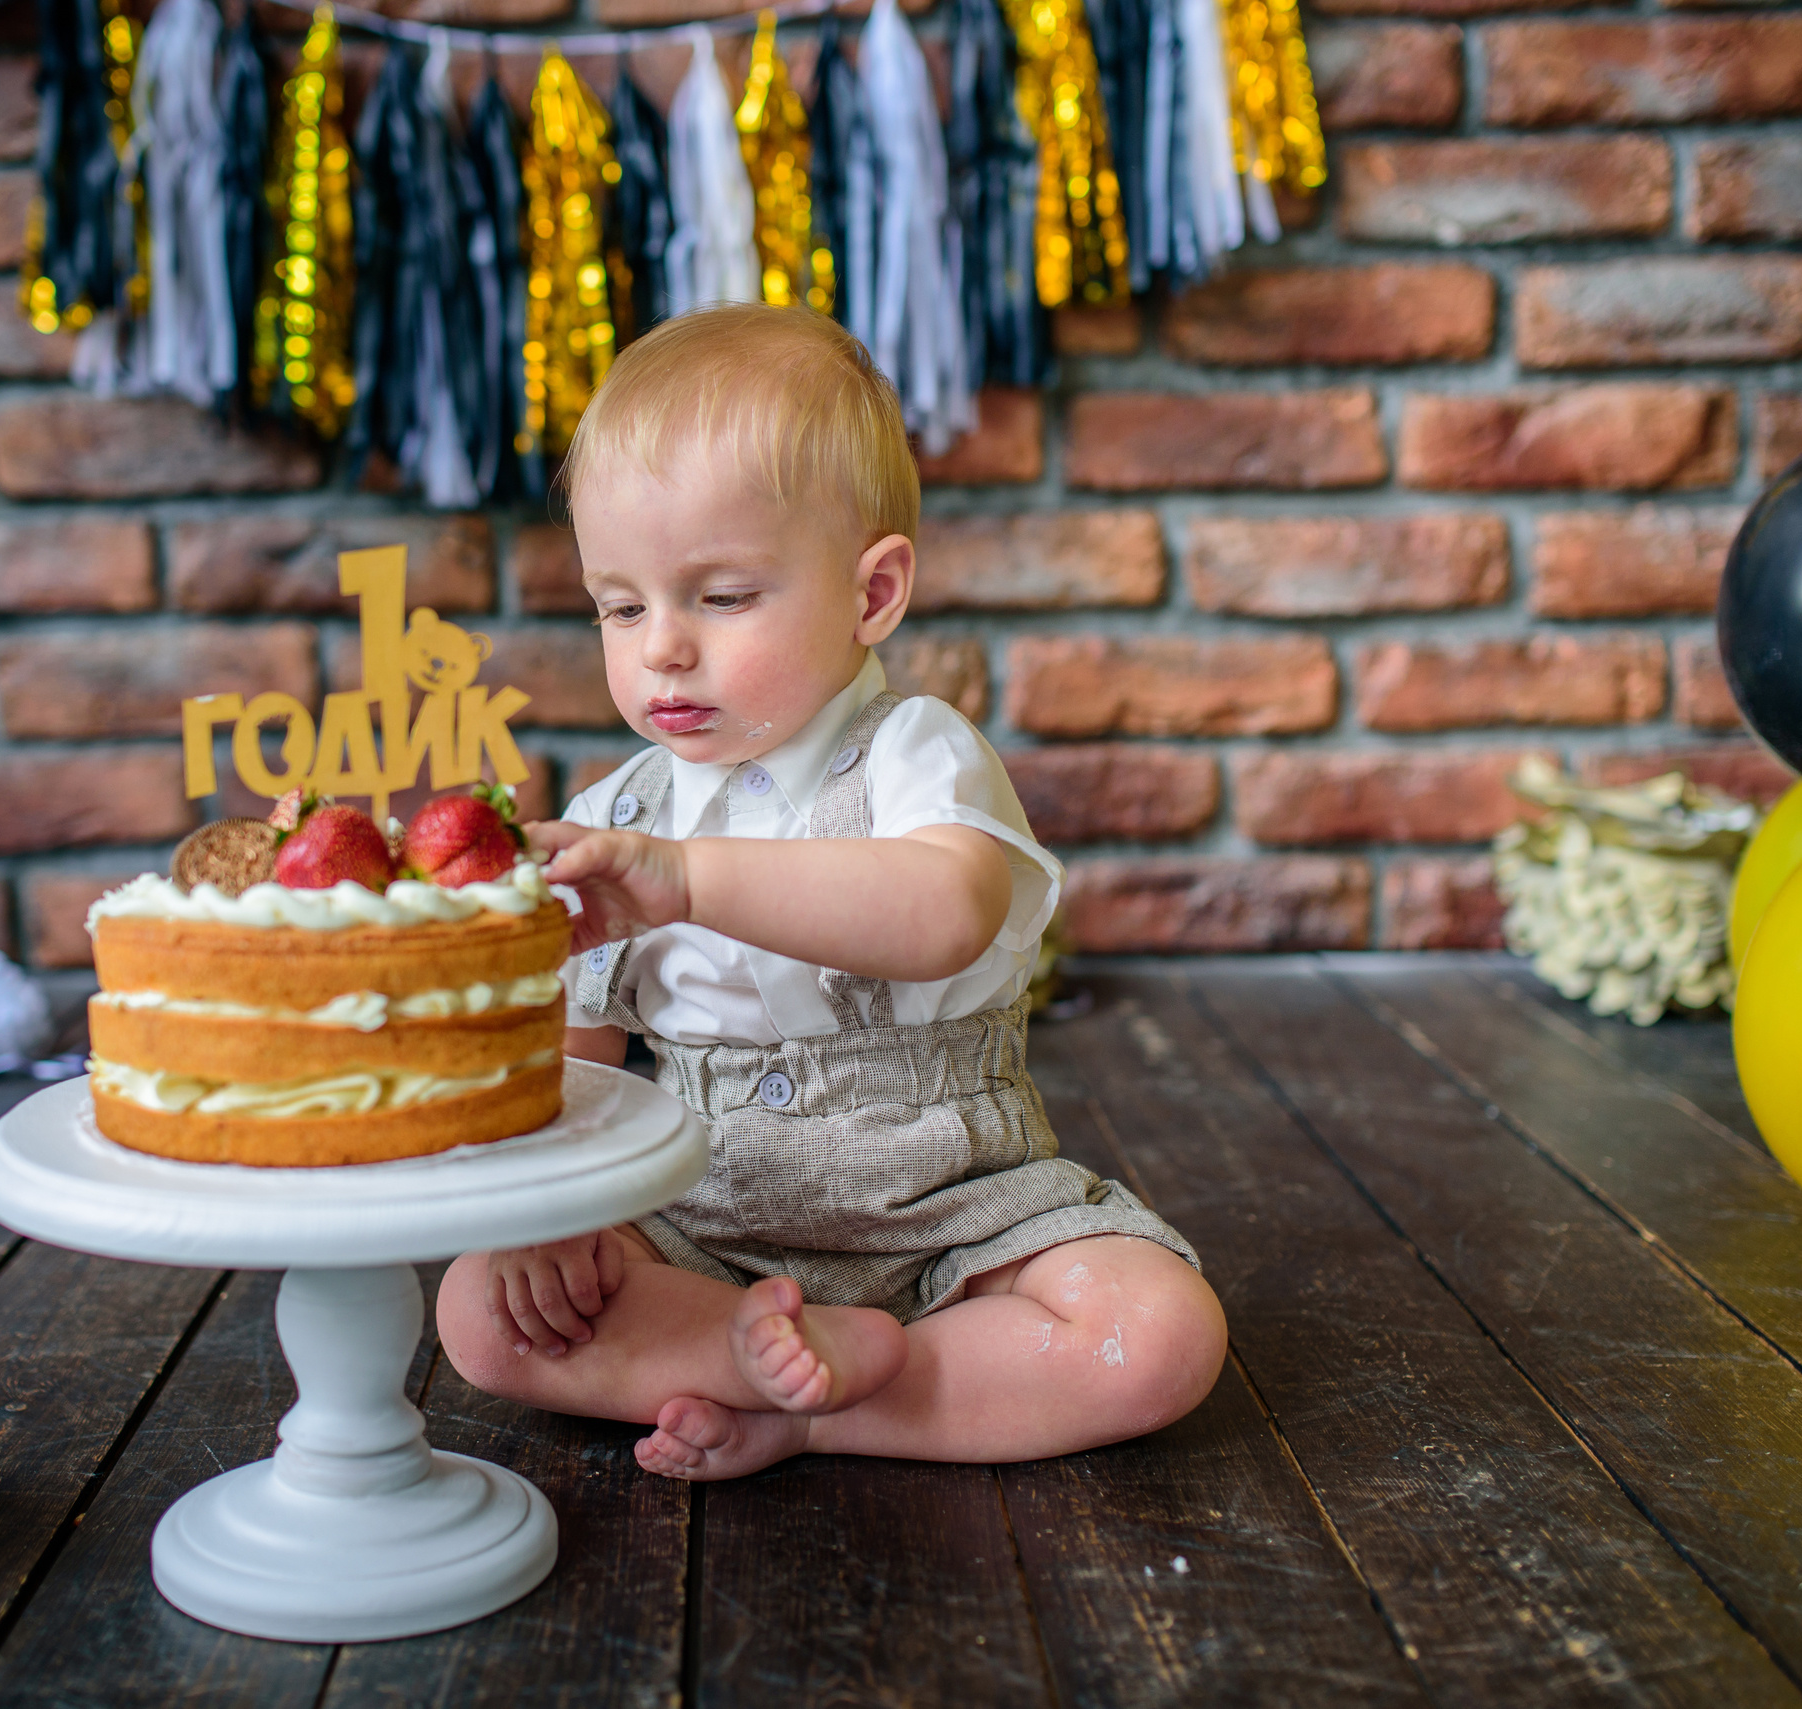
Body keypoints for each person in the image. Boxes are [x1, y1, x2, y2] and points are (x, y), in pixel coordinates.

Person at [433, 304, 1226, 1481]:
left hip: (953, 1206)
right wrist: (542, 1216)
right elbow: (580, 1060)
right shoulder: (617, 814)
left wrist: (689, 881)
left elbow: (940, 908)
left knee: (1156, 1335)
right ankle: (763, 1358)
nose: (661, 648)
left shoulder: (915, 752)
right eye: (622, 604)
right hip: (693, 1214)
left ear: (871, 595)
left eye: (722, 595)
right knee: (481, 1314)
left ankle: (818, 1403)